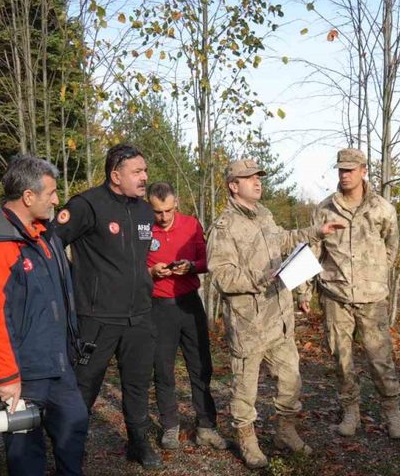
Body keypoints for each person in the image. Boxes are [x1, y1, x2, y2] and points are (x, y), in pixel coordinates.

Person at [207, 158, 343, 469]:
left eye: (258, 177)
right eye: (249, 177)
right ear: (233, 185)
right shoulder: (225, 227)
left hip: (280, 319)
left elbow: (283, 240)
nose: (257, 182)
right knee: (245, 388)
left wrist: (316, 231)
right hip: (249, 323)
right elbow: (221, 276)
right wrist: (257, 280)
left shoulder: (265, 216)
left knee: (291, 380)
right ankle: (247, 439)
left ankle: (286, 432)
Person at [0, 155, 88, 475]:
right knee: (25, 455)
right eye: (51, 193)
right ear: (28, 196)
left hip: (59, 366)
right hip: (23, 374)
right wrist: (6, 376)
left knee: (74, 429)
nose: (57, 200)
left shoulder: (44, 235)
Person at [55, 144, 162, 469]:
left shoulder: (145, 211)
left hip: (139, 317)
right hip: (96, 318)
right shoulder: (87, 205)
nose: (144, 177)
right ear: (115, 175)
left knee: (138, 384)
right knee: (84, 387)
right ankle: (70, 450)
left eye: (144, 170)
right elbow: (51, 245)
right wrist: (74, 286)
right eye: (137, 172)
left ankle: (138, 442)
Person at [296, 148, 400, 439]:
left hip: (372, 297)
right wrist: (305, 292)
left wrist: (375, 275)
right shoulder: (324, 210)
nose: (344, 175)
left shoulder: (383, 209)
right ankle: (350, 412)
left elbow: (391, 249)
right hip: (336, 296)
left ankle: (392, 413)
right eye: (341, 170)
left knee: (380, 359)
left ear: (363, 170)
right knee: (341, 359)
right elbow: (313, 253)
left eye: (350, 170)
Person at [146, 181, 226, 451]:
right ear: (150, 207)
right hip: (158, 307)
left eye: (168, 210)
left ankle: (206, 426)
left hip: (190, 304)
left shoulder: (191, 225)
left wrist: (191, 266)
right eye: (158, 212)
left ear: (176, 203)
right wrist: (152, 273)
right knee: (163, 369)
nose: (164, 217)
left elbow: (207, 262)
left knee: (201, 367)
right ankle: (170, 426)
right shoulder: (143, 229)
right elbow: (133, 269)